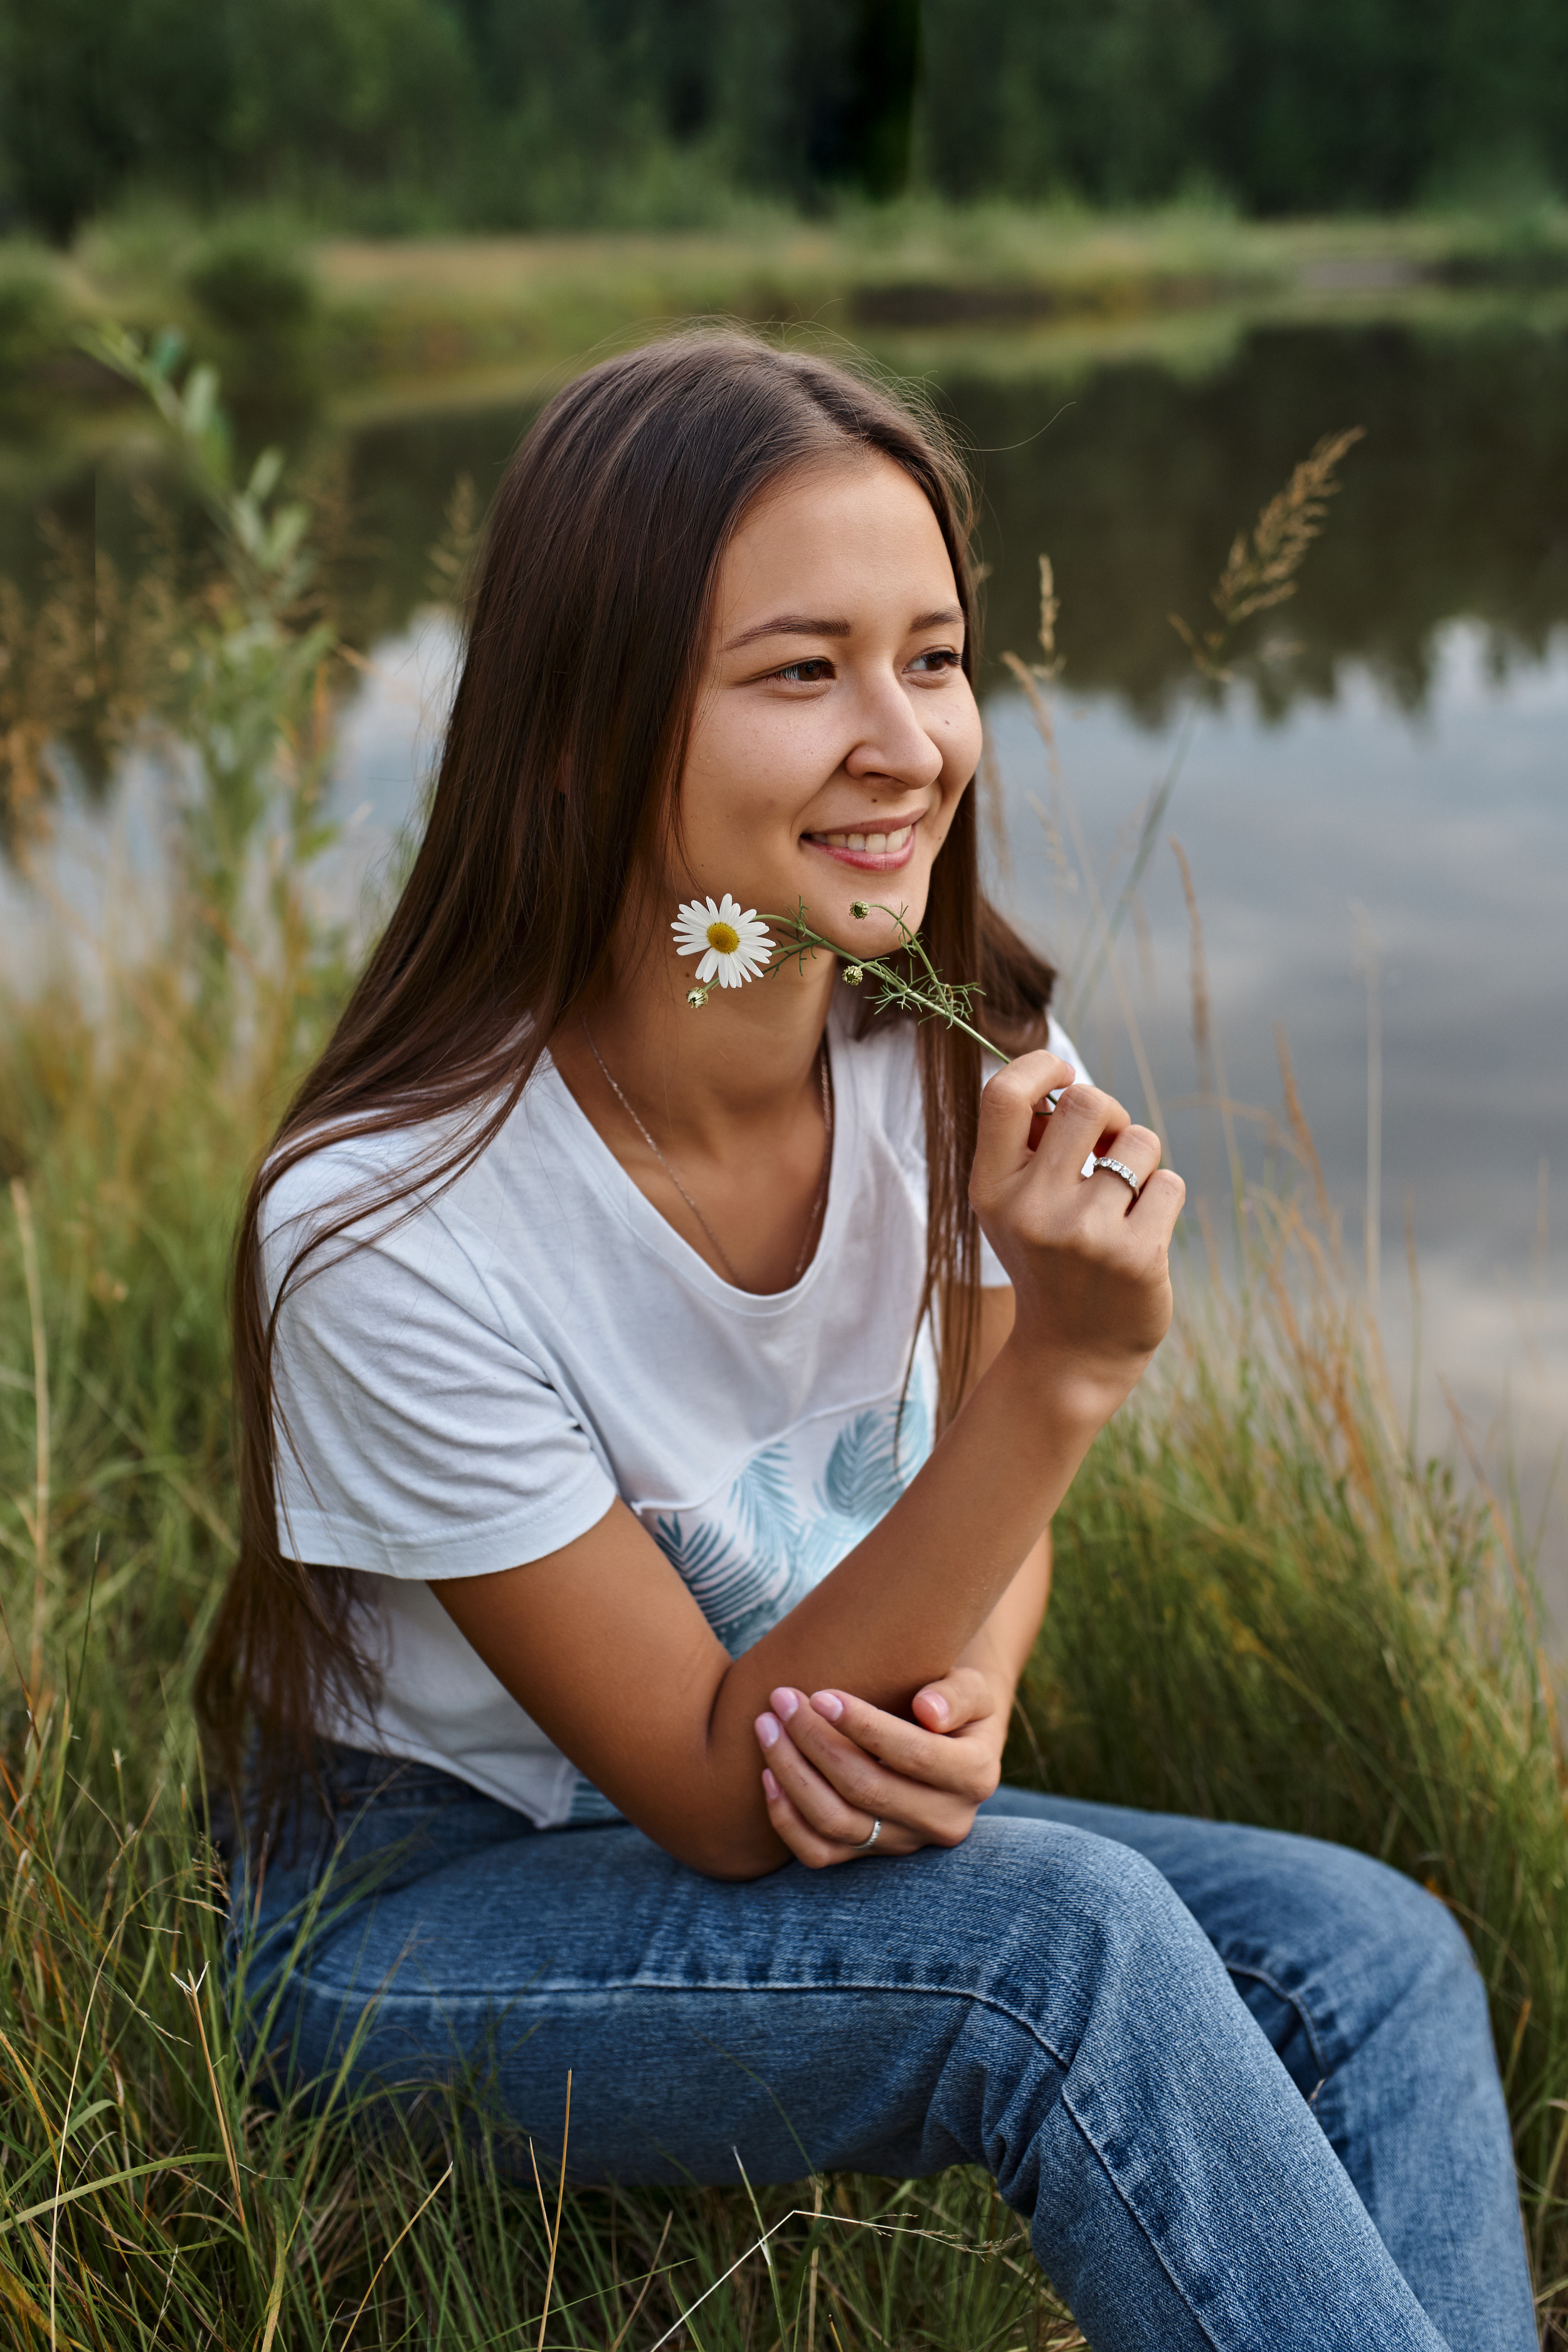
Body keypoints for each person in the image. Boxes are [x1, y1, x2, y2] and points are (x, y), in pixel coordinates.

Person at [207, 332, 1535, 2351]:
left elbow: (956, 1601)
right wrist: (1068, 1373)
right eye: (800, 670)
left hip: (800, 1757)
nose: (906, 739)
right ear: (579, 732)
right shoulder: (393, 1222)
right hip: (417, 1905)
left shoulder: (964, 1063)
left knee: (1368, 1949)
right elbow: (720, 1798)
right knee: (1061, 1951)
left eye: (931, 656)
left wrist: (962, 1710)